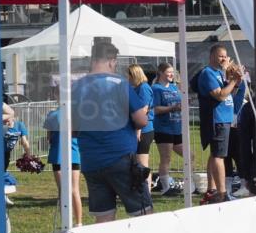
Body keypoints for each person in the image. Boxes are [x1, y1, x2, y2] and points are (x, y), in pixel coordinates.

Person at [71, 41, 152, 222]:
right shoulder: (120, 84)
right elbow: (141, 119)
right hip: (120, 156)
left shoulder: (77, 86)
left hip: (90, 160)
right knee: (143, 214)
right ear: (111, 60)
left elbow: (72, 128)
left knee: (103, 218)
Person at [197, 44, 243, 203]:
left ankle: (213, 189)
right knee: (219, 156)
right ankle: (223, 193)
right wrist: (233, 81)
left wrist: (235, 83)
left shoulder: (220, 74)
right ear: (212, 57)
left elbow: (231, 93)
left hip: (225, 118)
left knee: (216, 154)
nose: (224, 59)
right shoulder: (208, 73)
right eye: (220, 56)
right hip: (217, 119)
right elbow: (220, 96)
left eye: (225, 56)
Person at [44, 104, 83, 226]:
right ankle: (79, 223)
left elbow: (49, 138)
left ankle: (65, 224)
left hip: (58, 155)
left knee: (62, 191)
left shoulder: (52, 114)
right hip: (74, 154)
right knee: (75, 190)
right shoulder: (78, 114)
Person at [151, 62, 184, 195]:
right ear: (160, 73)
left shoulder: (174, 88)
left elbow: (180, 103)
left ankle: (190, 185)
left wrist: (182, 105)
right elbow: (155, 109)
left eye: (173, 72)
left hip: (176, 128)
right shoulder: (156, 88)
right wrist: (172, 107)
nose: (171, 75)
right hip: (163, 128)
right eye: (169, 72)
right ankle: (166, 187)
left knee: (190, 156)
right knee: (166, 158)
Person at [127, 65, 154, 170]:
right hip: (139, 129)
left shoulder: (143, 88)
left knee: (142, 164)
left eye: (128, 75)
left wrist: (138, 130)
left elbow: (143, 109)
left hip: (144, 130)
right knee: (137, 163)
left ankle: (146, 186)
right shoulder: (137, 88)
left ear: (134, 75)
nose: (127, 78)